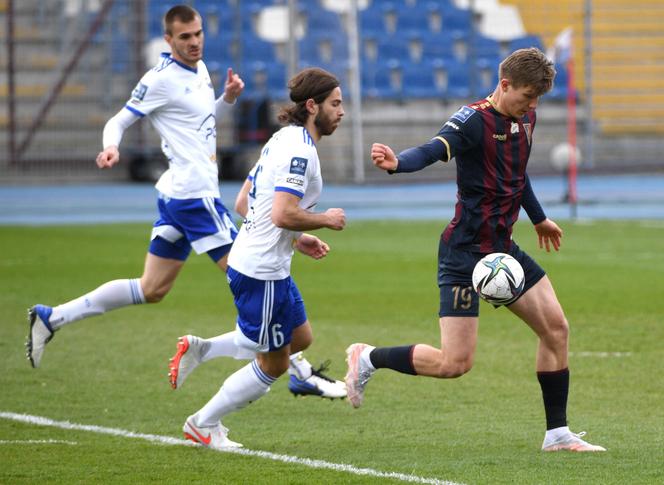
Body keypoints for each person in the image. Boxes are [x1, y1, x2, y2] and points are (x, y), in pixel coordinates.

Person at [25, 5, 343, 399]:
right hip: (195, 197)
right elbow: (120, 120)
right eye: (185, 37)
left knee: (152, 287)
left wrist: (225, 100)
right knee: (257, 271)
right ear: (169, 39)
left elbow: (196, 122)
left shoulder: (202, 70)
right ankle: (295, 366)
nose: (194, 42)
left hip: (176, 193)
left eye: (198, 34)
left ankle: (53, 317)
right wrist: (111, 147)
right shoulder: (159, 79)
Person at [345, 48, 606, 453]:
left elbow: (517, 175)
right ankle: (367, 358)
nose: (533, 105)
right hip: (465, 255)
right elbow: (433, 149)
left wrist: (538, 218)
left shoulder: (526, 117)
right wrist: (398, 163)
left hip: (503, 252)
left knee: (556, 329)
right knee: (455, 364)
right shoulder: (472, 121)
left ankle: (557, 435)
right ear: (504, 85)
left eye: (538, 98)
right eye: (526, 96)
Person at [179, 67, 346, 450]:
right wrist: (323, 220)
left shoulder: (282, 138)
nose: (341, 112)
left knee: (300, 337)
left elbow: (244, 203)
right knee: (275, 364)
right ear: (311, 105)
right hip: (261, 271)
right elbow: (282, 213)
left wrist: (297, 237)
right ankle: (202, 423)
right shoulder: (300, 151)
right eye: (335, 104)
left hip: (266, 264)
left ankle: (202, 348)